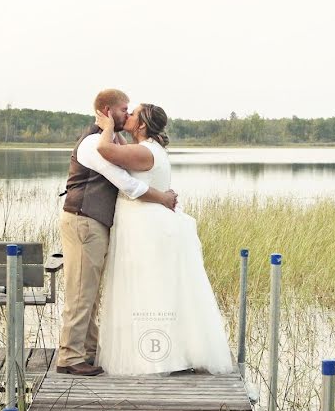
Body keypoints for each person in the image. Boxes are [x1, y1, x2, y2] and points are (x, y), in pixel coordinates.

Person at [93, 103, 233, 375]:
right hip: (144, 221)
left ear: (143, 124)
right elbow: (121, 151)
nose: (129, 115)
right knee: (151, 287)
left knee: (147, 288)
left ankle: (157, 357)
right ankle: (164, 351)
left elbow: (104, 150)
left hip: (145, 226)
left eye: (133, 114)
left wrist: (107, 128)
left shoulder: (145, 152)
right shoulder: (150, 149)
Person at [58, 89, 178, 377]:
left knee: (89, 291)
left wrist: (115, 133)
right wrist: (162, 197)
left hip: (92, 222)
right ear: (107, 110)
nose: (127, 113)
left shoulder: (109, 140)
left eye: (129, 111)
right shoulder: (91, 144)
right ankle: (69, 357)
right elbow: (125, 183)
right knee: (81, 291)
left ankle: (86, 351)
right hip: (83, 220)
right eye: (123, 109)